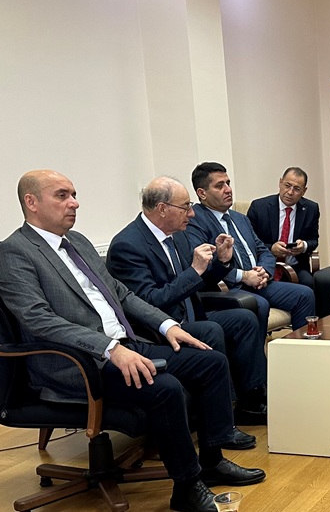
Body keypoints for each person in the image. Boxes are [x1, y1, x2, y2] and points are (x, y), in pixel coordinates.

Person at [0, 170, 265, 512]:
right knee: (165, 387)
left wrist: (166, 325)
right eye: (62, 195)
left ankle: (211, 461)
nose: (74, 203)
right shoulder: (15, 252)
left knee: (210, 361)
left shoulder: (77, 242)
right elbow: (39, 319)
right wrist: (109, 348)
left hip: (124, 343)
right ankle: (186, 487)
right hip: (78, 362)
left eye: (74, 194)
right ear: (31, 202)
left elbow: (121, 294)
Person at [107, 176, 267, 428]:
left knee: (243, 319)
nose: (192, 214)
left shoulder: (177, 236)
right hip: (158, 328)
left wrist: (222, 262)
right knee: (210, 330)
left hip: (191, 314)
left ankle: (251, 400)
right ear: (162, 209)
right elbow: (149, 301)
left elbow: (198, 282)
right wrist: (194, 270)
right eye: (185, 207)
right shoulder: (127, 245)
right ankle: (219, 421)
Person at [185, 162, 316, 336]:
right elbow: (205, 267)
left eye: (228, 183)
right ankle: (257, 353)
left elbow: (263, 250)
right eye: (220, 186)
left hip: (258, 281)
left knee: (304, 294)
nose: (228, 190)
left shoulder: (239, 218)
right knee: (259, 304)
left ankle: (298, 349)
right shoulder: (194, 221)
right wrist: (244, 276)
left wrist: (264, 271)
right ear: (202, 193)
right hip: (228, 287)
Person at [246, 167, 320, 288]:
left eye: (297, 189)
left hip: (296, 266)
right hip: (263, 266)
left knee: (310, 285)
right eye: (287, 185)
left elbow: (314, 240)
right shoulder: (259, 207)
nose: (290, 192)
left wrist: (303, 246)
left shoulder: (311, 209)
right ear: (280, 183)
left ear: (304, 191)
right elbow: (248, 242)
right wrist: (271, 249)